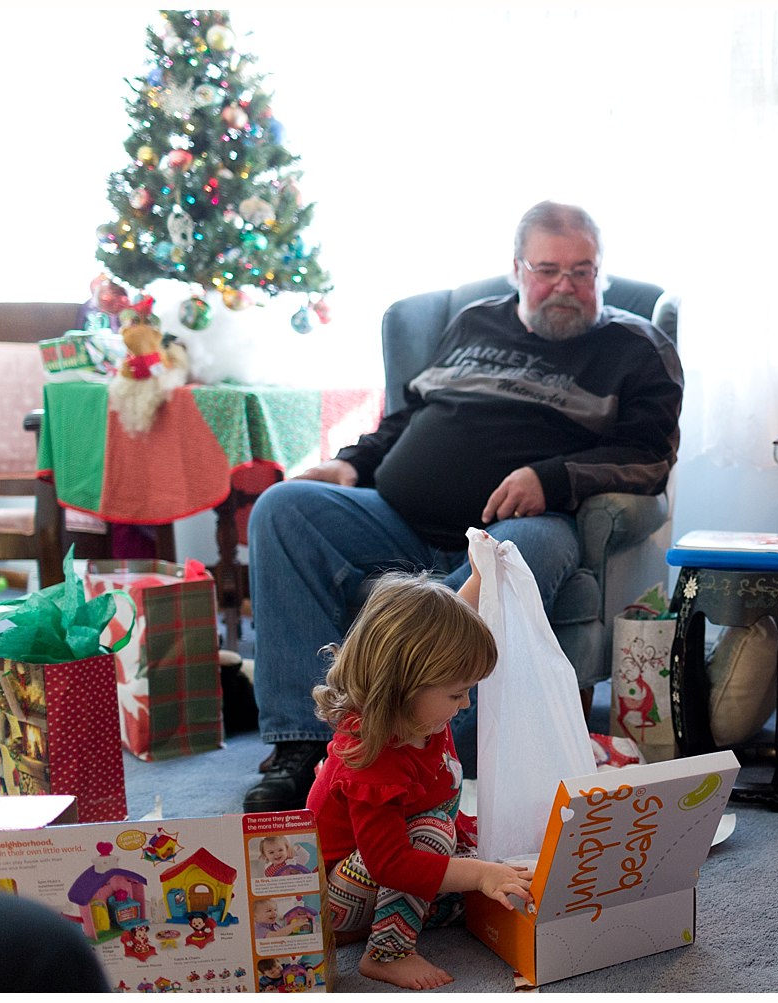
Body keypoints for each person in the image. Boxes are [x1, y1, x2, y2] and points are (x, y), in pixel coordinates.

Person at [244, 200, 683, 812]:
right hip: (399, 519)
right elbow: (408, 415)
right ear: (517, 269)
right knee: (283, 508)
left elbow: (651, 458)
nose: (566, 287)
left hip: (525, 525)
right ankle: (304, 744)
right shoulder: (476, 322)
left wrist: (551, 478)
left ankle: (424, 753)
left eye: (583, 271)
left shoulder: (636, 347)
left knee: (508, 556)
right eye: (548, 270)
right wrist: (354, 462)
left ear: (600, 272)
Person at [306, 569, 535, 991]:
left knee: (495, 862)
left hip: (378, 873)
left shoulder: (419, 712)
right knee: (434, 838)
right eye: (456, 693)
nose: (465, 703)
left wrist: (481, 573)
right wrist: (479, 875)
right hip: (334, 899)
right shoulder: (371, 759)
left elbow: (447, 629)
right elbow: (389, 863)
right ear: (402, 687)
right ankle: (387, 954)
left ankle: (437, 907)